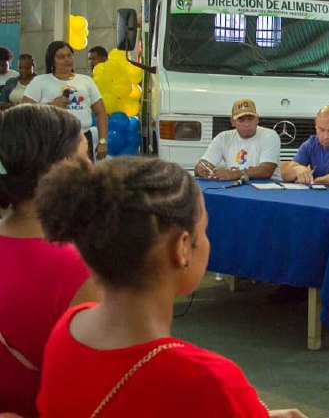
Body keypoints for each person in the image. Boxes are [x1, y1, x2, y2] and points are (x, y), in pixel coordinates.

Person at [33, 156, 305, 418]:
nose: (208, 242)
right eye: (205, 231)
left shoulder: (65, 329)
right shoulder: (211, 382)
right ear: (182, 247)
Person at [0, 105, 101, 418]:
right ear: (53, 170)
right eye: (84, 158)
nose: (92, 170)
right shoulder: (78, 268)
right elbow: (98, 388)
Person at [21, 41, 109, 161]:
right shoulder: (40, 81)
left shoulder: (86, 81)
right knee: (55, 178)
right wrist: (50, 106)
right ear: (52, 60)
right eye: (61, 57)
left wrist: (103, 141)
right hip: (52, 140)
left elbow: (101, 113)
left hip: (82, 138)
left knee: (83, 178)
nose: (67, 60)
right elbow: (23, 111)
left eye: (69, 55)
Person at [194, 99, 281, 182]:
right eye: (241, 120)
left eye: (250, 119)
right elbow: (204, 163)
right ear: (232, 122)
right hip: (236, 187)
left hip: (268, 189)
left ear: (257, 119)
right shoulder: (223, 137)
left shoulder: (270, 135)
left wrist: (233, 174)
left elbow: (266, 171)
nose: (247, 124)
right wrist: (202, 169)